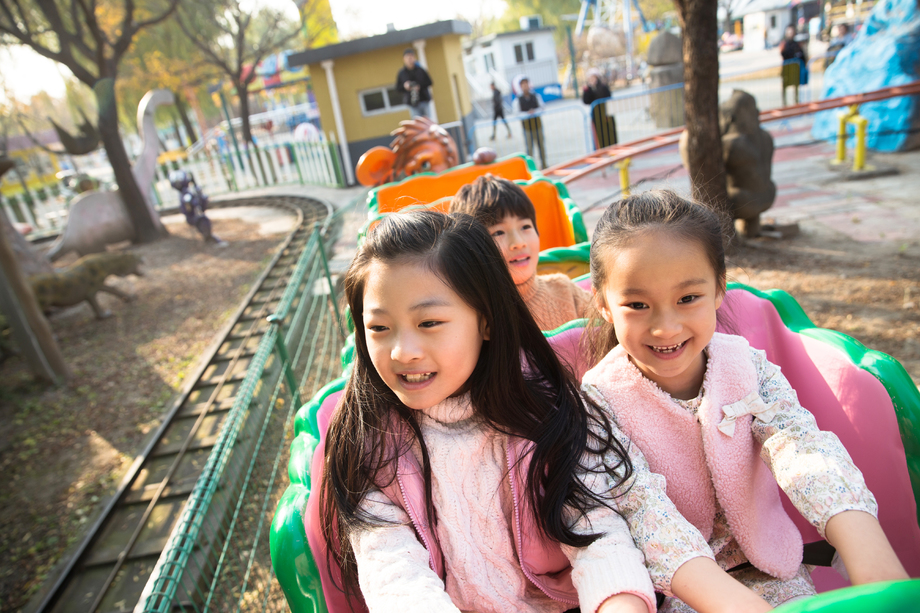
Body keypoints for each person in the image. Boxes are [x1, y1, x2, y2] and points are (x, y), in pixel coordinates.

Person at [319, 209, 775, 613]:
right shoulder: (369, 445)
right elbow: (395, 574)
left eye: (429, 323)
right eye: (378, 327)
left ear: (487, 320)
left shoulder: (545, 411)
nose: (402, 351)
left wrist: (619, 603)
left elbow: (599, 532)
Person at [582, 190, 909, 611]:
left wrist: (867, 551)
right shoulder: (599, 403)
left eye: (687, 298)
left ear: (719, 289)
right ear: (605, 305)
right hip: (681, 588)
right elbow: (642, 512)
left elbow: (801, 447)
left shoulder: (747, 367)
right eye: (637, 305)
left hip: (775, 572)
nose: (665, 327)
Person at [450, 174, 591, 330]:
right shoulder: (473, 318)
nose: (518, 243)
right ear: (470, 249)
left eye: (525, 227)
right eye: (498, 232)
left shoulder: (565, 292)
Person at [512, 77, 546, 168]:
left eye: (526, 84)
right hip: (526, 127)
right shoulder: (518, 99)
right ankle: (531, 167)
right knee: (529, 148)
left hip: (537, 125)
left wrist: (534, 111)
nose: (525, 86)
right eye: (523, 85)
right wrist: (527, 113)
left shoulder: (535, 96)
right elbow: (516, 113)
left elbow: (542, 107)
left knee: (541, 145)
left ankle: (544, 164)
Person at [582, 68, 617, 149]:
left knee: (609, 134)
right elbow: (586, 100)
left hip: (605, 113)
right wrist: (587, 90)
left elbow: (606, 96)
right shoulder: (588, 88)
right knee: (598, 135)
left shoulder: (603, 86)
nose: (591, 80)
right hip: (596, 115)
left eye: (593, 78)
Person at [396, 48, 433, 118]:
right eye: (407, 57)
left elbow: (429, 82)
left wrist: (419, 86)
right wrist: (405, 86)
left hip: (424, 100)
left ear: (414, 57)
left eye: (411, 57)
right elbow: (398, 88)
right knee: (417, 125)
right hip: (412, 103)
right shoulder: (402, 73)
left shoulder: (420, 70)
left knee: (427, 123)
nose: (410, 59)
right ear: (404, 59)